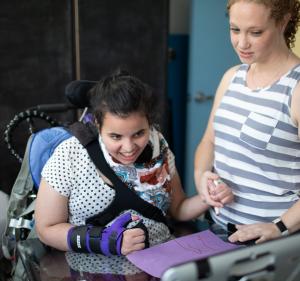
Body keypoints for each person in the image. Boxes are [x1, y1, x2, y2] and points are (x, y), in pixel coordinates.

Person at [35, 70, 209, 256]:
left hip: (161, 262)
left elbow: (178, 208)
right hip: (93, 271)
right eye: (115, 136)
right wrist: (106, 241)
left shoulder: (158, 146)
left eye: (138, 134)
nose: (128, 148)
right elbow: (46, 229)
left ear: (149, 123)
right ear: (97, 124)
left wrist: (209, 198)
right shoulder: (70, 155)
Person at [194, 0, 300, 244]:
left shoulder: (295, 88)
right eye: (235, 29)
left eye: (256, 32)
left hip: (274, 242)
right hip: (219, 229)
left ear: (283, 22)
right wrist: (202, 178)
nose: (242, 43)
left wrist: (279, 227)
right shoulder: (232, 77)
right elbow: (209, 142)